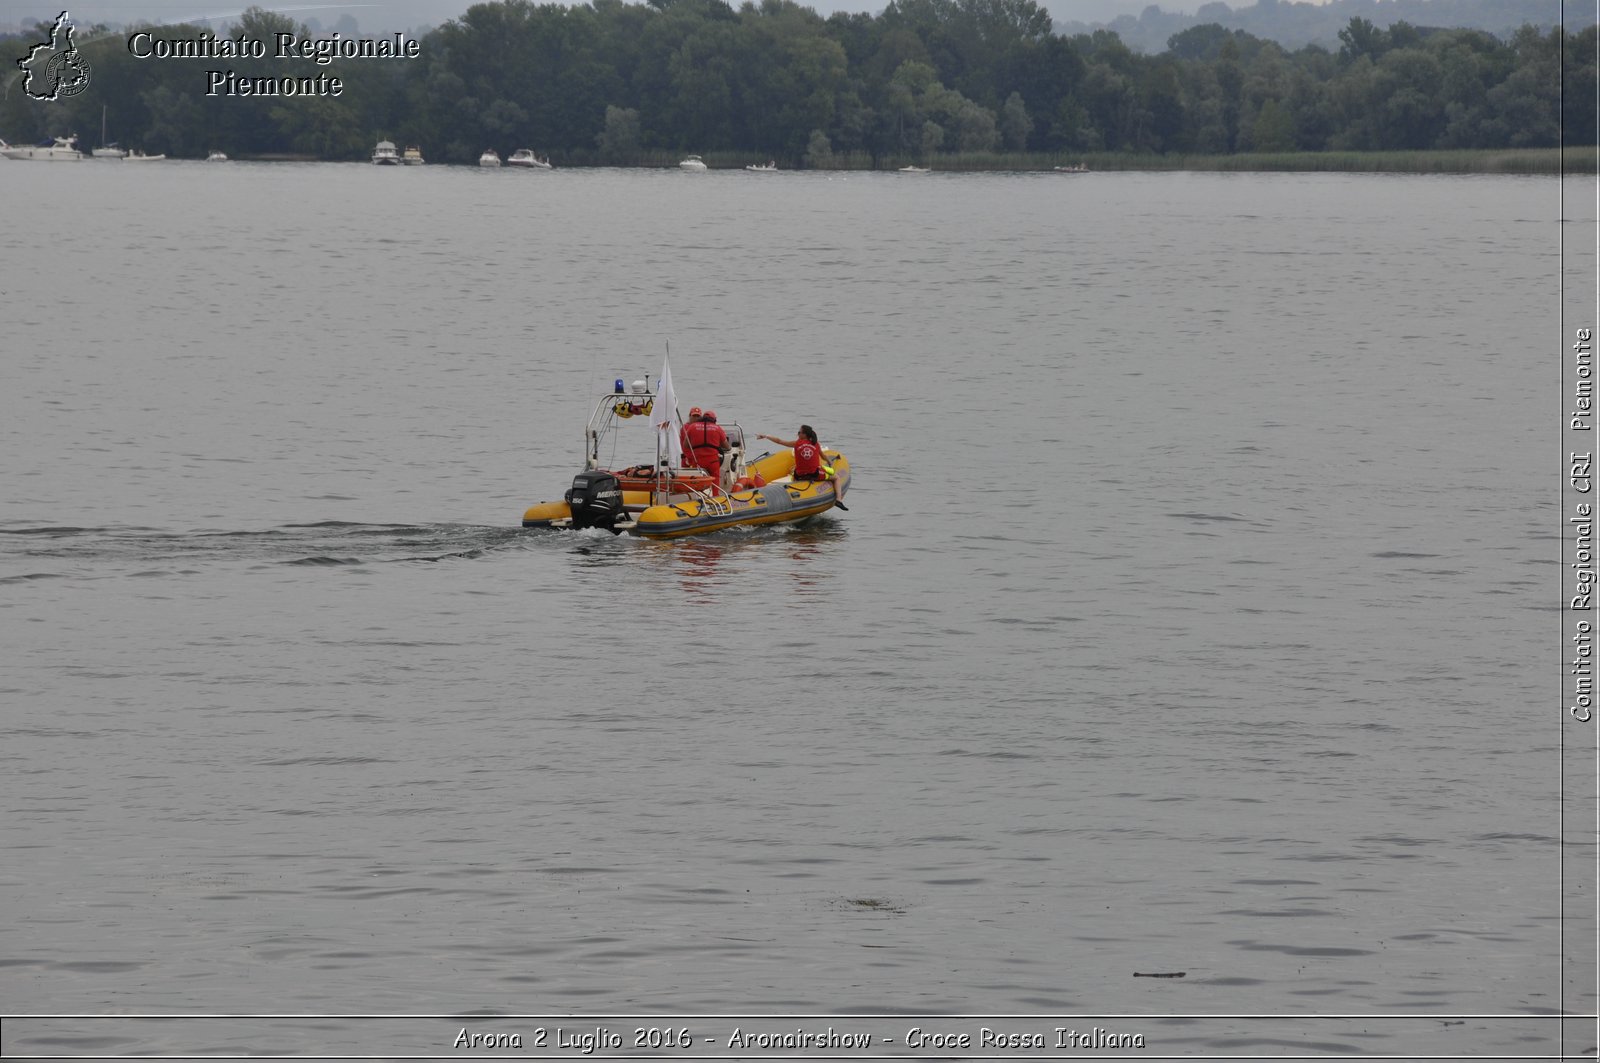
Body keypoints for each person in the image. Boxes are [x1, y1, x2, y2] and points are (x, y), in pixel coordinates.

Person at [757, 425, 830, 481]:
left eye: (799, 432)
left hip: (800, 475)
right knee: (836, 478)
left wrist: (766, 436)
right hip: (814, 474)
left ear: (804, 435)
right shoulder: (816, 444)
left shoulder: (796, 443)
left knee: (794, 473)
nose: (798, 434)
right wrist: (829, 462)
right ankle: (838, 499)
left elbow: (779, 441)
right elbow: (823, 457)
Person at [680, 406, 729, 481]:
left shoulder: (692, 427)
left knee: (696, 481)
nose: (696, 418)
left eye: (698, 416)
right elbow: (727, 446)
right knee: (715, 481)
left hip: (697, 460)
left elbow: (685, 445)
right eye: (694, 416)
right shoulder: (717, 428)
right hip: (712, 460)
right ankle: (715, 492)